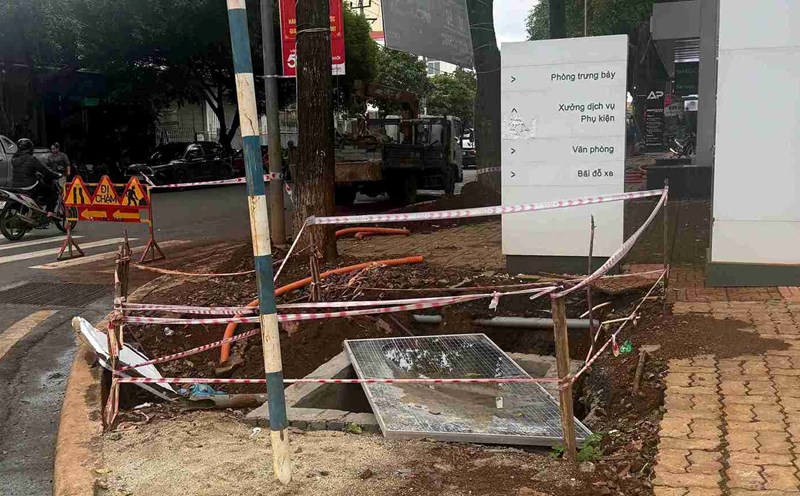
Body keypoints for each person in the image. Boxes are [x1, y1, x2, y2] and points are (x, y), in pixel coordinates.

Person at [12, 138, 62, 218]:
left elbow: (26, 171)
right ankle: (50, 212)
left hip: (16, 185)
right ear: (30, 148)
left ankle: (35, 209)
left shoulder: (14, 159)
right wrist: (56, 175)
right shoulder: (31, 159)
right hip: (29, 186)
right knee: (51, 192)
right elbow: (44, 171)